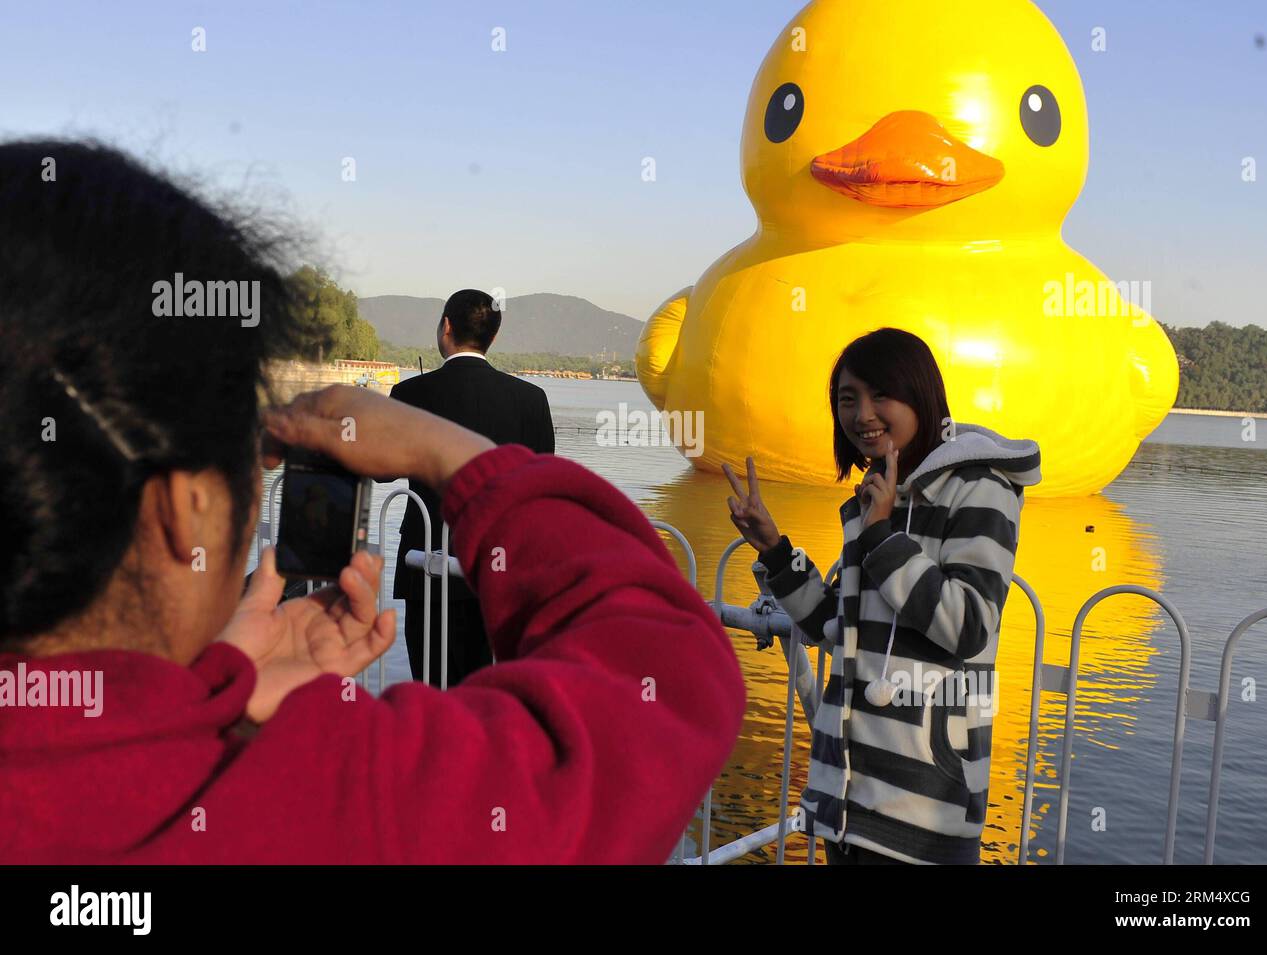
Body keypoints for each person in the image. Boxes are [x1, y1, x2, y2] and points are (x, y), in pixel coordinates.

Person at [0, 140, 746, 863]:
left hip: (423, 578)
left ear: (446, 328)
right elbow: (671, 679)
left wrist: (217, 687)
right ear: (183, 509)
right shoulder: (345, 796)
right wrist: (452, 456)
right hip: (490, 578)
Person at [723, 328, 1041, 864]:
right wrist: (776, 551)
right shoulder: (873, 497)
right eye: (847, 399)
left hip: (926, 801)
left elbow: (968, 625)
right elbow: (835, 627)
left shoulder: (980, 488)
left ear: (920, 395)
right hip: (846, 799)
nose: (862, 414)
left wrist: (881, 534)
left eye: (879, 396)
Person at [389, 290, 554, 687]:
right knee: (484, 686)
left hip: (424, 560)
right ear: (492, 338)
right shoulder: (531, 399)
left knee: (429, 685)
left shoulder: (410, 394)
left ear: (446, 327)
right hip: (494, 568)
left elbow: (380, 471)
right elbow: (541, 484)